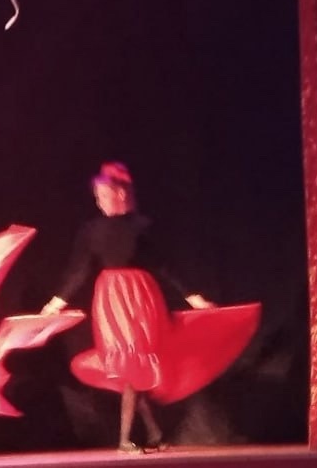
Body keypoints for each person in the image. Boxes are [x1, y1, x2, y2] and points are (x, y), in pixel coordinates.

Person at [39, 162, 216, 453]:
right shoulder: (91, 230)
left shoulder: (143, 226)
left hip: (141, 298)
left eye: (104, 195)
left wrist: (193, 297)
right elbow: (78, 270)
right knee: (129, 364)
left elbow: (165, 266)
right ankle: (128, 439)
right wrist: (56, 303)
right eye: (97, 196)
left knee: (136, 364)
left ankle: (151, 434)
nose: (99, 201)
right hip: (112, 300)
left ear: (121, 194)